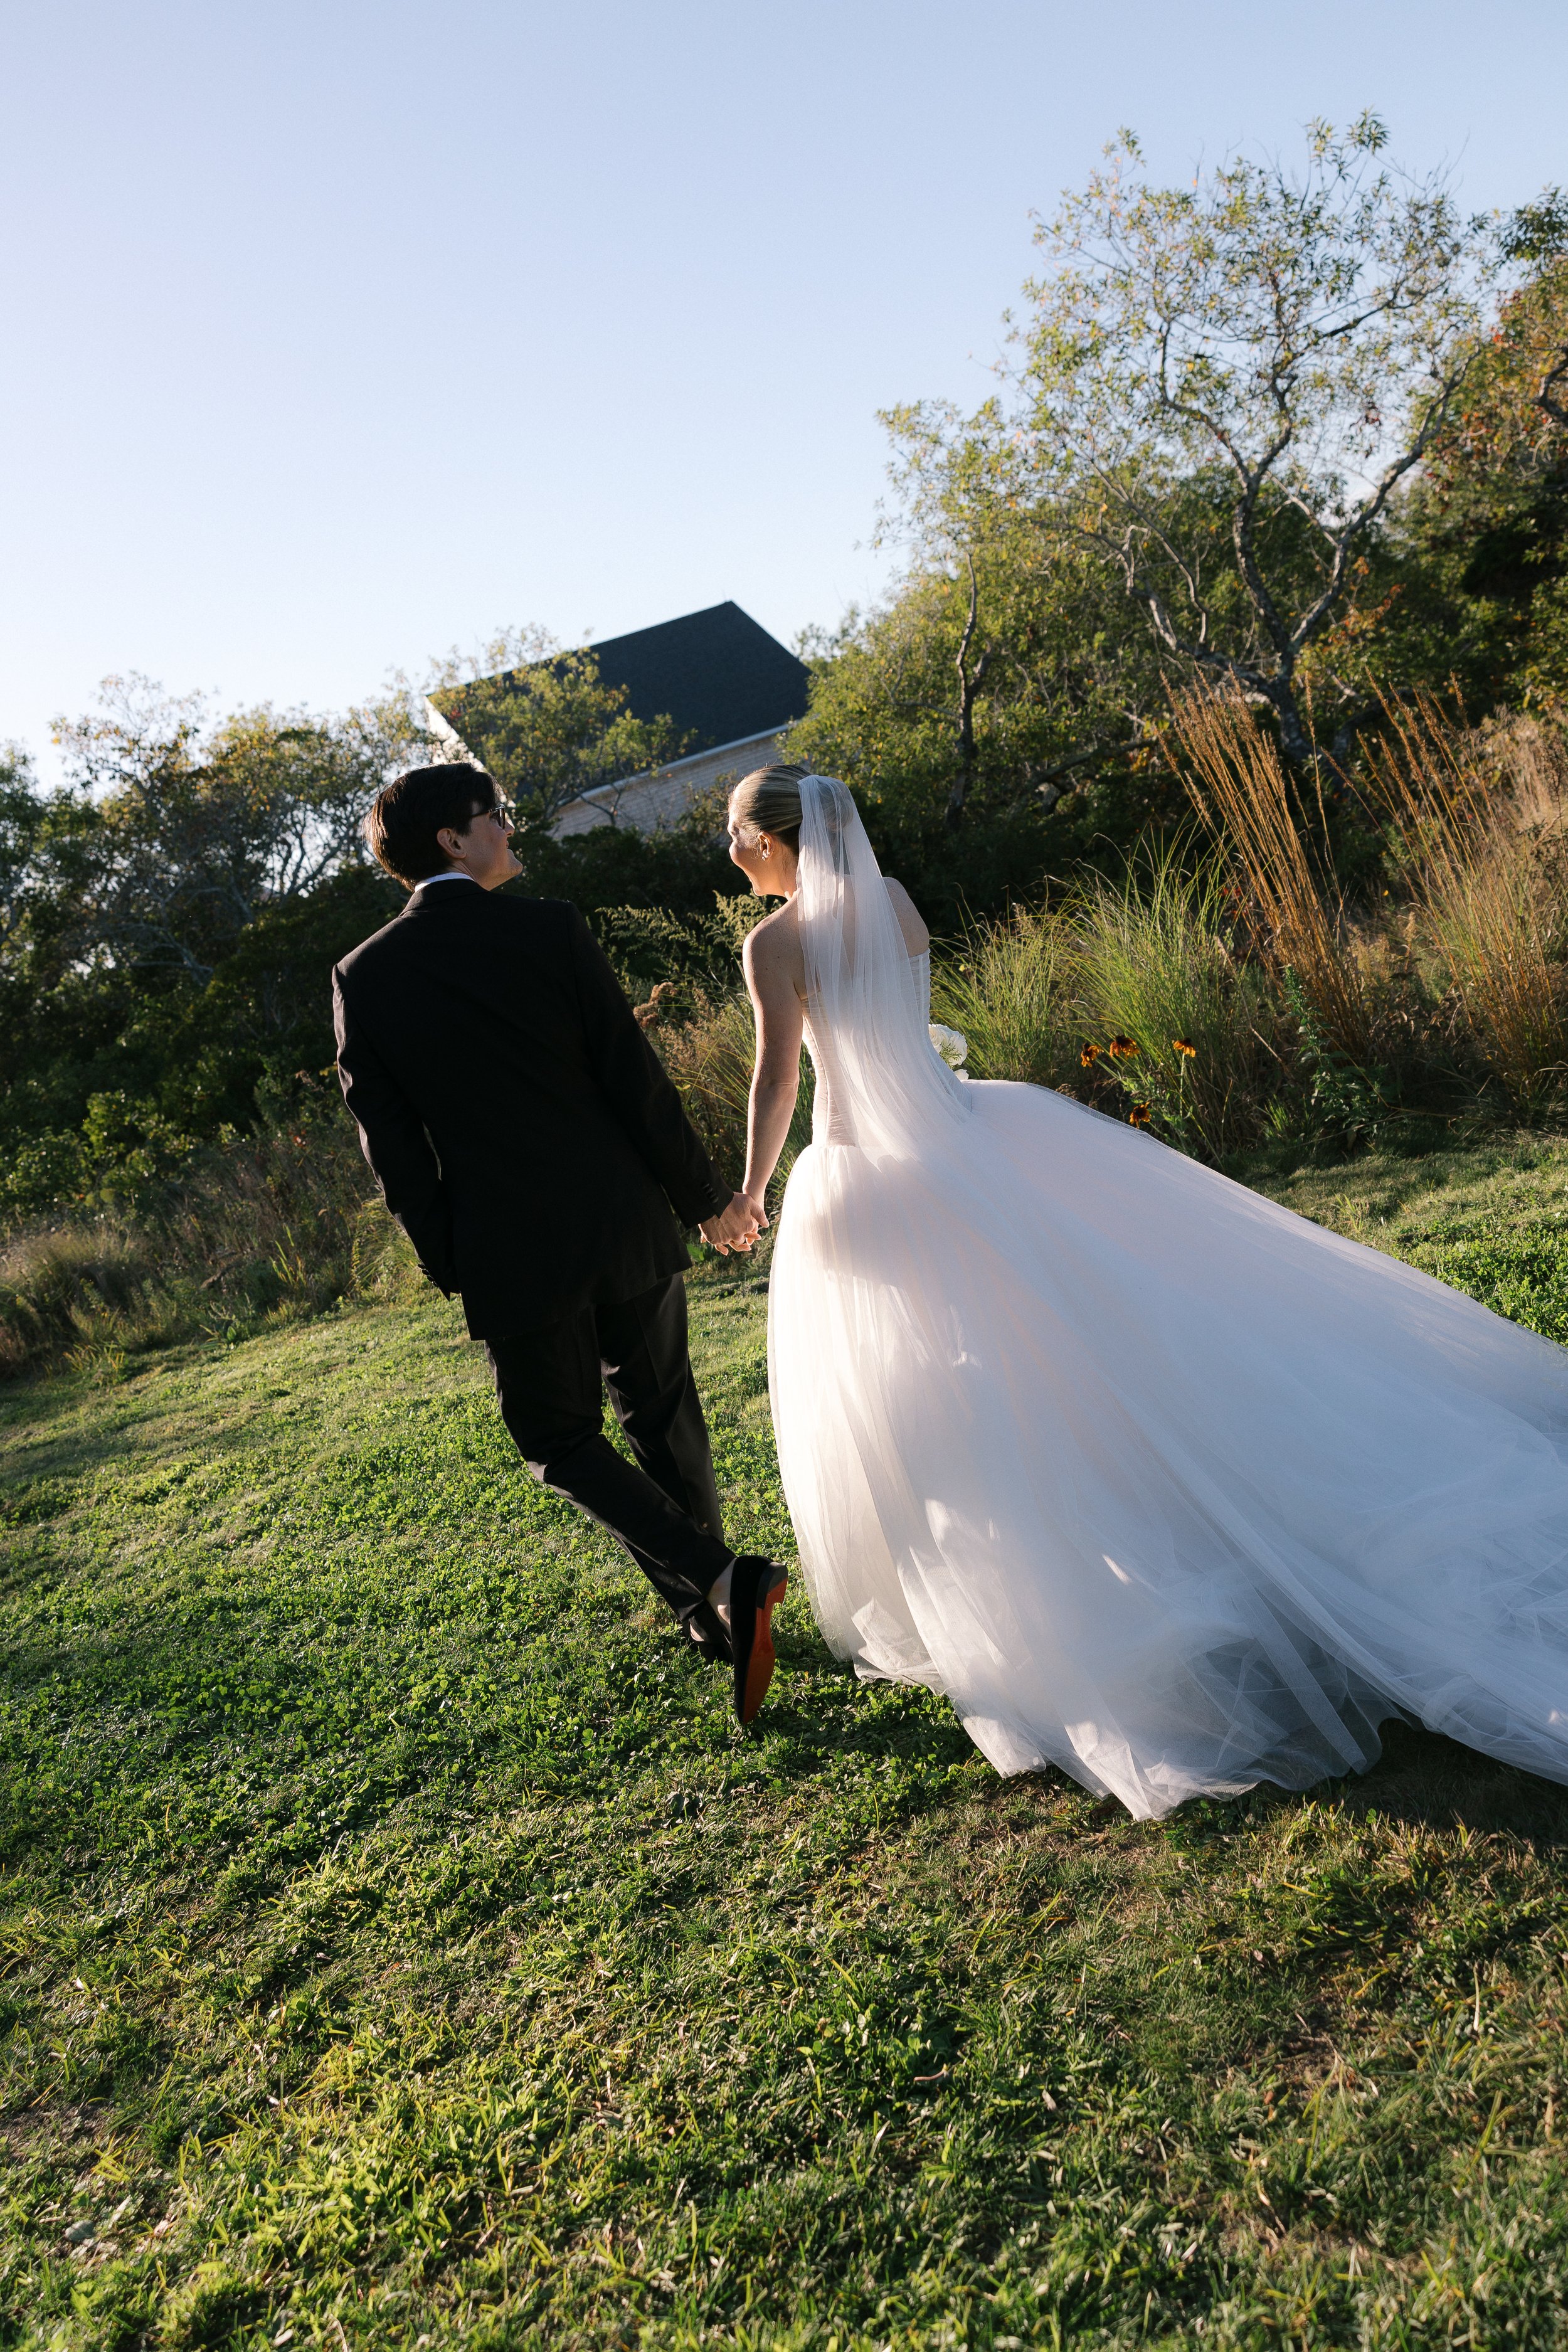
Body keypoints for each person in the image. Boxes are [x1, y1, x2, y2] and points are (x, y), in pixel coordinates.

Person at [728, 763, 1568, 1820]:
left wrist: (751, 1190)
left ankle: (1047, 1580)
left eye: (734, 832)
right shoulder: (892, 901)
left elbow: (780, 1078)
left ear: (774, 841)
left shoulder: (775, 943)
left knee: (939, 1389)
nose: (729, 851)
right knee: (1064, 1347)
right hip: (971, 1133)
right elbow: (900, 1031)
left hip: (870, 1169)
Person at [332, 761, 787, 1726]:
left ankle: (716, 1591)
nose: (508, 824)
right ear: (453, 841)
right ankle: (717, 1595)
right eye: (493, 814)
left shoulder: (364, 977)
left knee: (558, 1439)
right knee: (661, 1418)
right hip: (623, 1216)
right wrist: (702, 1198)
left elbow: (395, 1155)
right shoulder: (553, 929)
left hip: (508, 1247)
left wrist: (452, 1260)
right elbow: (637, 1080)